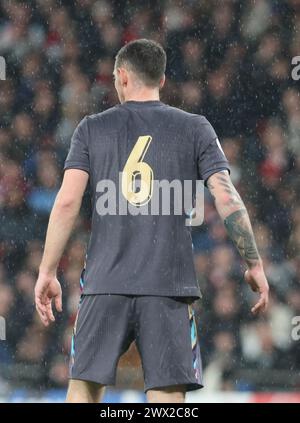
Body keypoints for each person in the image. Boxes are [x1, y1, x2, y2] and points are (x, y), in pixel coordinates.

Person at [34, 39, 269, 403]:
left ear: (122, 77)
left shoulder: (91, 128)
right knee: (167, 400)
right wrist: (253, 263)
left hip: (105, 283)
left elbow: (66, 202)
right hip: (168, 288)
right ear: (161, 79)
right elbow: (226, 197)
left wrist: (47, 272)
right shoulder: (195, 127)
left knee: (82, 390)